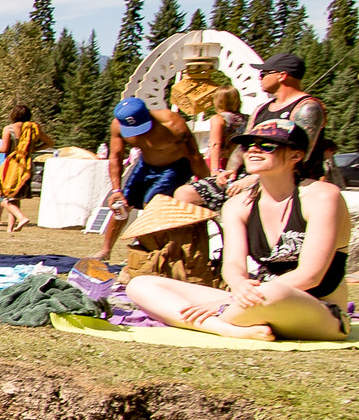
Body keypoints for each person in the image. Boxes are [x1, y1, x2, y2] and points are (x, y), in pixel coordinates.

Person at [127, 122, 348, 341]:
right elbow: (233, 265)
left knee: (273, 293)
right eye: (248, 145)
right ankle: (228, 329)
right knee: (141, 285)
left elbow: (310, 275)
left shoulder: (321, 196)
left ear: (296, 156)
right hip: (251, 301)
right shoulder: (238, 205)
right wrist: (238, 285)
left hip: (317, 310)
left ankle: (219, 318)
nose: (254, 150)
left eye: (267, 146)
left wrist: (230, 301)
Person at [98, 94, 204, 263]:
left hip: (176, 166)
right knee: (122, 203)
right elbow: (115, 157)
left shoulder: (173, 124)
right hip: (147, 164)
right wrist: (116, 190)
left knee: (152, 203)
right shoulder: (118, 126)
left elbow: (195, 156)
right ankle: (106, 250)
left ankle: (151, 252)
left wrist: (207, 184)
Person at [245, 51, 332, 183]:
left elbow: (299, 155)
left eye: (263, 74)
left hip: (295, 183)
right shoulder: (260, 109)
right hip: (261, 179)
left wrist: (255, 177)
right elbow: (245, 145)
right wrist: (230, 171)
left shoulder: (307, 108)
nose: (260, 78)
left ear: (282, 76)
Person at [0, 105, 51, 231]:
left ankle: (22, 218)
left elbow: (4, 149)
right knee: (15, 197)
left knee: (4, 198)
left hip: (12, 166)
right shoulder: (32, 128)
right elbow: (50, 142)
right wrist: (32, 150)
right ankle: (10, 228)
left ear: (13, 114)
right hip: (27, 165)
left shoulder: (9, 129)